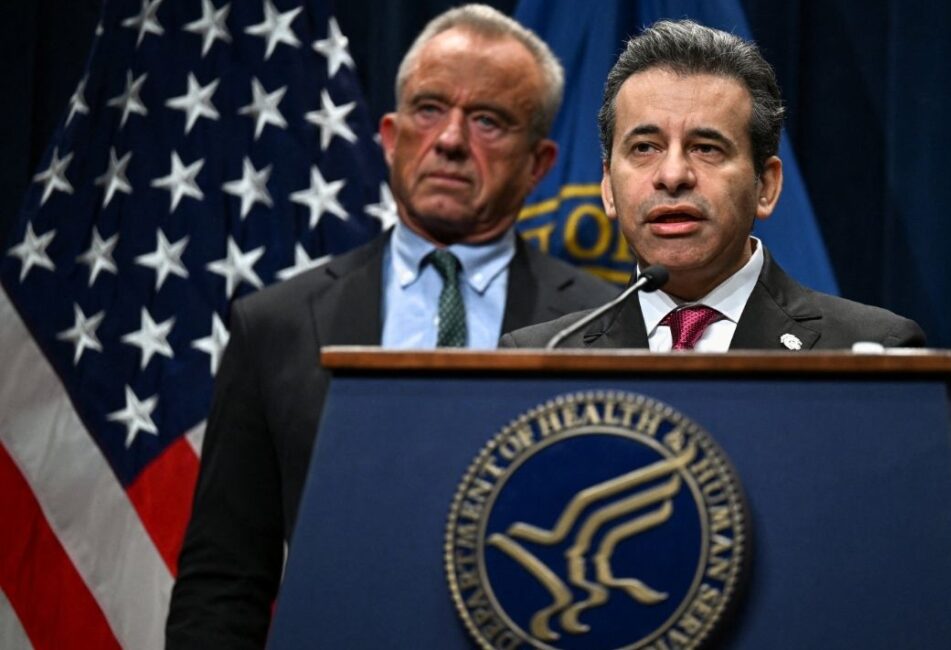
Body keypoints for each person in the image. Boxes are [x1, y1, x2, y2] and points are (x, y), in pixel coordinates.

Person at [166, 5, 617, 647]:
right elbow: (223, 581)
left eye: (488, 121)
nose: (452, 140)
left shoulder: (604, 324)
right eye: (429, 109)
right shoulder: (277, 325)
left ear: (538, 163)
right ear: (389, 135)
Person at [502, 20, 923, 351]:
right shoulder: (540, 357)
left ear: (767, 186)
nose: (672, 175)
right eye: (645, 147)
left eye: (706, 148)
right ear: (608, 187)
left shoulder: (871, 350)